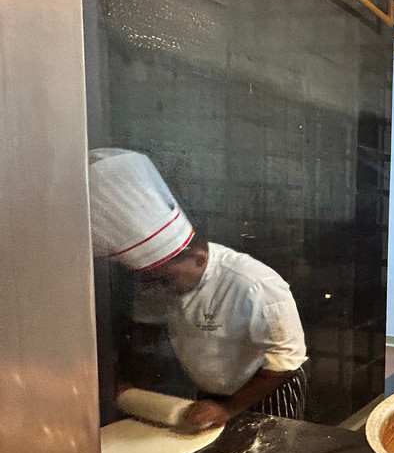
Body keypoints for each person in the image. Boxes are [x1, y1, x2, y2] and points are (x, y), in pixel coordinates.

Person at [89, 149, 308, 429]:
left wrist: (229, 408)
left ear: (198, 258)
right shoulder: (158, 282)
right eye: (154, 279)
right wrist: (131, 383)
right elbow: (147, 331)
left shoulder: (254, 283)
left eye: (167, 278)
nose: (162, 287)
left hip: (265, 389)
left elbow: (287, 359)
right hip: (210, 393)